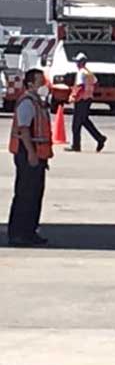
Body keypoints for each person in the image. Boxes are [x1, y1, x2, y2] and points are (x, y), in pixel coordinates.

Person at [8, 68, 52, 246]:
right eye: (40, 81)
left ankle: (30, 231)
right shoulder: (27, 103)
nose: (43, 84)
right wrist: (32, 154)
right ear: (31, 83)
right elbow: (24, 130)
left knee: (35, 195)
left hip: (37, 154)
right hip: (27, 153)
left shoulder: (38, 102)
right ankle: (18, 233)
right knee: (25, 195)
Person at [69, 53, 107, 153]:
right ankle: (99, 138)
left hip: (81, 100)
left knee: (76, 124)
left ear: (81, 62)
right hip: (88, 99)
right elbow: (96, 83)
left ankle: (76, 145)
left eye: (77, 62)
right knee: (84, 121)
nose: (76, 64)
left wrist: (74, 96)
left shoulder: (81, 72)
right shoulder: (88, 72)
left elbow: (80, 86)